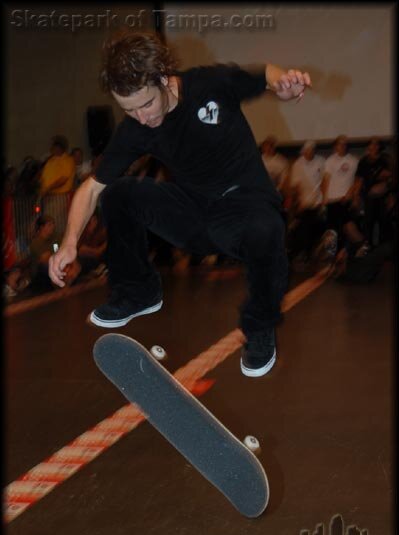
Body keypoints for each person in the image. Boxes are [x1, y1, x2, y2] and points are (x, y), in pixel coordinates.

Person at [49, 30, 311, 378]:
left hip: (246, 204)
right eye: (129, 110)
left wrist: (284, 85)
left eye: (146, 104)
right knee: (117, 193)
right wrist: (68, 244)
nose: (141, 117)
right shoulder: (136, 128)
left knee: (267, 230)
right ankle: (138, 292)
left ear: (163, 80)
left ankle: (260, 327)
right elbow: (92, 188)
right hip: (196, 213)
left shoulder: (209, 84)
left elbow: (264, 74)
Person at [288, 140, 331, 262]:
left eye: (312, 150)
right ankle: (305, 254)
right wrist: (295, 204)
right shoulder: (297, 164)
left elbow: (325, 181)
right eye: (307, 151)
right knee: (304, 229)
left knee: (320, 229)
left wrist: (323, 201)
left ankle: (319, 255)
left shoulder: (321, 161)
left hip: (319, 201)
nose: (309, 153)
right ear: (303, 152)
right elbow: (295, 187)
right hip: (305, 203)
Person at [354, 137, 393, 247]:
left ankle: (383, 251)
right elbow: (359, 179)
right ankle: (368, 250)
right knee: (368, 224)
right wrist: (356, 196)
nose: (374, 147)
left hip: (383, 197)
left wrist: (388, 191)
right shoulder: (363, 161)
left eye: (376, 144)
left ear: (379, 147)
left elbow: (391, 177)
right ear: (368, 147)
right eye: (371, 144)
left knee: (384, 223)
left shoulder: (385, 160)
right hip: (368, 197)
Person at [322, 135, 359, 247]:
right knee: (331, 229)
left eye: (344, 144)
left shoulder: (353, 160)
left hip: (345, 199)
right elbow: (326, 180)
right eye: (339, 144)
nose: (342, 146)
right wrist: (324, 198)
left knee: (346, 227)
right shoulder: (330, 160)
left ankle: (358, 248)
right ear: (335, 146)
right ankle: (330, 254)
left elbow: (357, 181)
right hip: (332, 200)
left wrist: (353, 194)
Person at [40, 135, 76, 238]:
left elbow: (63, 179)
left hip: (59, 199)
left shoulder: (68, 160)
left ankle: (58, 248)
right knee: (46, 224)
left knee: (56, 224)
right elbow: (43, 177)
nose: (51, 148)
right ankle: (49, 247)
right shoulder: (50, 160)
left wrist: (48, 188)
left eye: (53, 146)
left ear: (59, 147)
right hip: (47, 197)